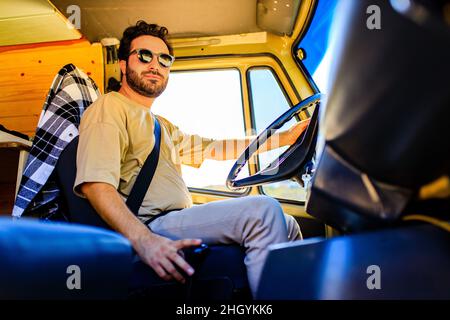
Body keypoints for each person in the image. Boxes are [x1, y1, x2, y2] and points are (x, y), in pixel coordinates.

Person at [74, 20, 309, 297]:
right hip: (150, 223)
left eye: (164, 59)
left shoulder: (162, 125)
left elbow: (215, 148)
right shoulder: (110, 107)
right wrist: (145, 241)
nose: (155, 64)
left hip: (176, 217)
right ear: (124, 65)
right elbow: (96, 185)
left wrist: (284, 138)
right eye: (144, 55)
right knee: (264, 211)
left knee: (288, 223)